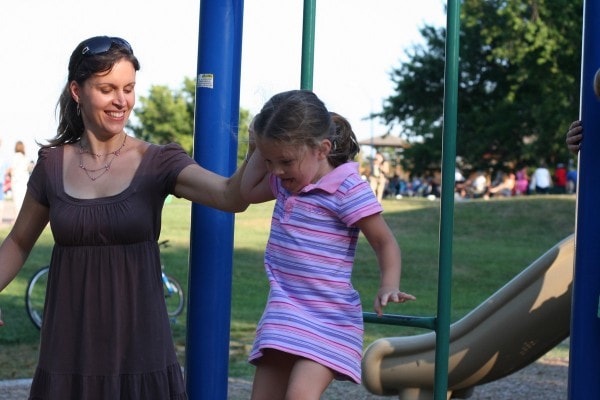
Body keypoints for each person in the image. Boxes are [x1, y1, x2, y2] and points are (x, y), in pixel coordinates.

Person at [0, 36, 252, 399]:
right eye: (107, 89)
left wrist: (259, 147)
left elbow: (230, 195)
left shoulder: (159, 161)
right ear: (77, 90)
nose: (122, 101)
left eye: (129, 89)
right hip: (69, 351)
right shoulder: (52, 165)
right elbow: (19, 241)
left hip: (140, 351)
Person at [240, 90, 415, 400]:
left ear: (321, 150)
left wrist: (389, 284)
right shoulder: (287, 181)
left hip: (328, 315)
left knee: (299, 396)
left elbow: (384, 241)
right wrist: (257, 143)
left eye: (285, 161)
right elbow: (246, 190)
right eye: (269, 161)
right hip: (285, 309)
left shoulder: (347, 188)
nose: (276, 171)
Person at [6, 140, 33, 217]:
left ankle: (18, 220)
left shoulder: (15, 156)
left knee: (17, 202)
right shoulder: (25, 158)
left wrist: (8, 174)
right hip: (25, 182)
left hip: (16, 182)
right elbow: (30, 169)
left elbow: (11, 170)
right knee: (23, 202)